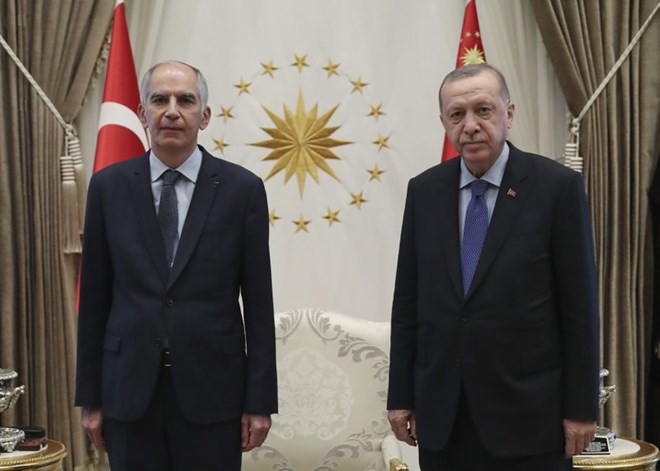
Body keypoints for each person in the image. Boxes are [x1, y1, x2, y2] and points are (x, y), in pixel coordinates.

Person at [386, 63, 600, 471]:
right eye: (456, 114)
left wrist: (581, 409)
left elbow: (579, 309)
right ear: (444, 123)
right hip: (444, 417)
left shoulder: (556, 188)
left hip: (530, 419)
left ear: (509, 113)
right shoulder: (425, 191)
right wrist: (401, 396)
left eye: (483, 110)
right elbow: (407, 302)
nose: (470, 125)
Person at [75, 61, 278, 471]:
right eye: (159, 99)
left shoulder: (242, 190)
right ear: (141, 112)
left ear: (204, 116)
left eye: (185, 100)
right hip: (128, 393)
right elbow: (94, 299)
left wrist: (259, 402)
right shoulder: (108, 187)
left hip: (213, 394)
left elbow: (258, 304)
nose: (172, 110)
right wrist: (91, 398)